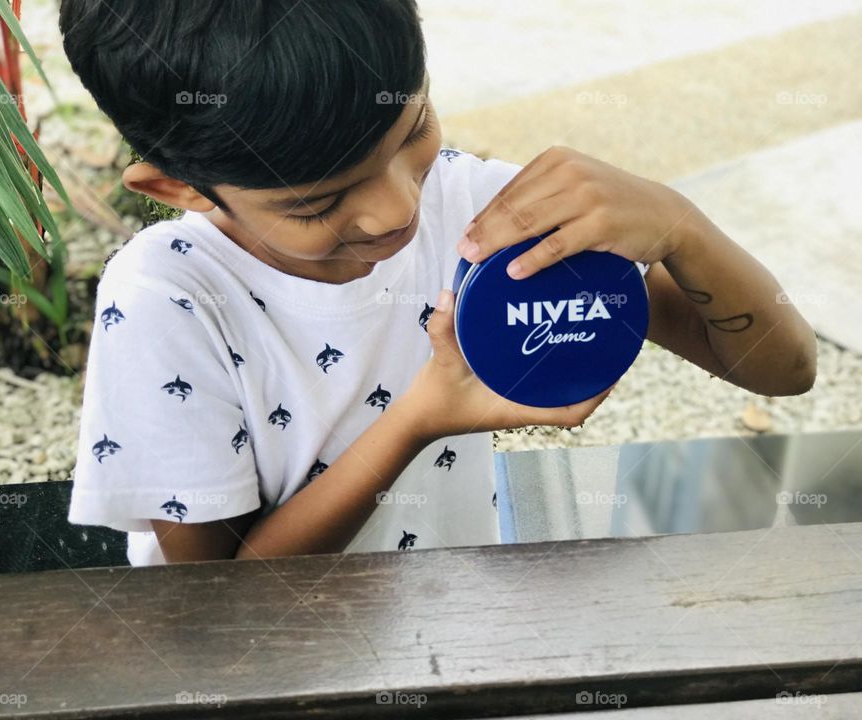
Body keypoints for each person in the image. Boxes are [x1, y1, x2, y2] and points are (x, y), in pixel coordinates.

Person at [60, 0, 817, 565]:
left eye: (415, 129)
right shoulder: (169, 299)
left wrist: (680, 224)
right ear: (181, 188)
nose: (399, 210)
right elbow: (215, 608)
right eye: (320, 202)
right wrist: (419, 418)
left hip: (454, 635)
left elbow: (785, 370)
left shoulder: (485, 210)